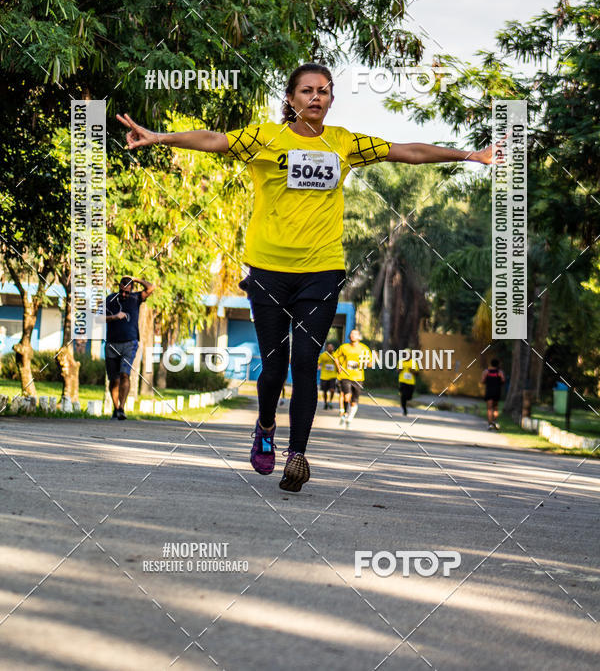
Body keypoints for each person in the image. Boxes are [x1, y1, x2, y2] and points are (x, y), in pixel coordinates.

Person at [118, 62, 493, 490]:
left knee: (305, 362)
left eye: (324, 91)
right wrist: (159, 137)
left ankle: (298, 454)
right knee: (274, 368)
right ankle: (264, 427)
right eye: (307, 91)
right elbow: (213, 140)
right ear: (291, 99)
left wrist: (470, 155)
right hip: (268, 270)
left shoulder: (346, 143)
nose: (317, 97)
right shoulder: (264, 137)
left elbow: (406, 151)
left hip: (321, 270)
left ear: (331, 99)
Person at [103, 276, 155, 419]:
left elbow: (151, 287)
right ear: (118, 287)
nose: (124, 294)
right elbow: (97, 318)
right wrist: (114, 317)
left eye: (127, 291)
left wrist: (136, 279)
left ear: (131, 289)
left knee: (125, 374)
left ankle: (121, 408)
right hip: (112, 343)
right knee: (114, 379)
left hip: (130, 343)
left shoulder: (136, 298)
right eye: (122, 291)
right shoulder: (110, 299)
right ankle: (115, 408)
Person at [333, 329, 372, 427]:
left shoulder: (364, 349)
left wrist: (372, 360)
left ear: (359, 337)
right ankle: (345, 413)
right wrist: (338, 368)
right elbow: (335, 357)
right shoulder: (344, 347)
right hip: (346, 376)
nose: (353, 335)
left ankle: (349, 419)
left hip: (358, 378)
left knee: (354, 402)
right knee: (347, 396)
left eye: (355, 334)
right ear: (349, 336)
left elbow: (370, 364)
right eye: (351, 334)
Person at [481, 358, 505, 429]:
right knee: (495, 408)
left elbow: (482, 381)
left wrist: (487, 381)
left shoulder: (486, 371)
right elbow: (503, 380)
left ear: (491, 364)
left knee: (489, 408)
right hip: (497, 391)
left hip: (489, 391)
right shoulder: (500, 372)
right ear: (498, 364)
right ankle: (494, 421)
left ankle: (489, 424)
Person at [318, 341, 338, 410]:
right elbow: (318, 363)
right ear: (326, 348)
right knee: (325, 391)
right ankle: (325, 402)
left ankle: (330, 401)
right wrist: (318, 366)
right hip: (324, 376)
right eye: (328, 347)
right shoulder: (323, 355)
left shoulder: (335, 355)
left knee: (332, 390)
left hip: (333, 375)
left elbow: (339, 363)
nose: (330, 348)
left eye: (331, 347)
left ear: (333, 348)